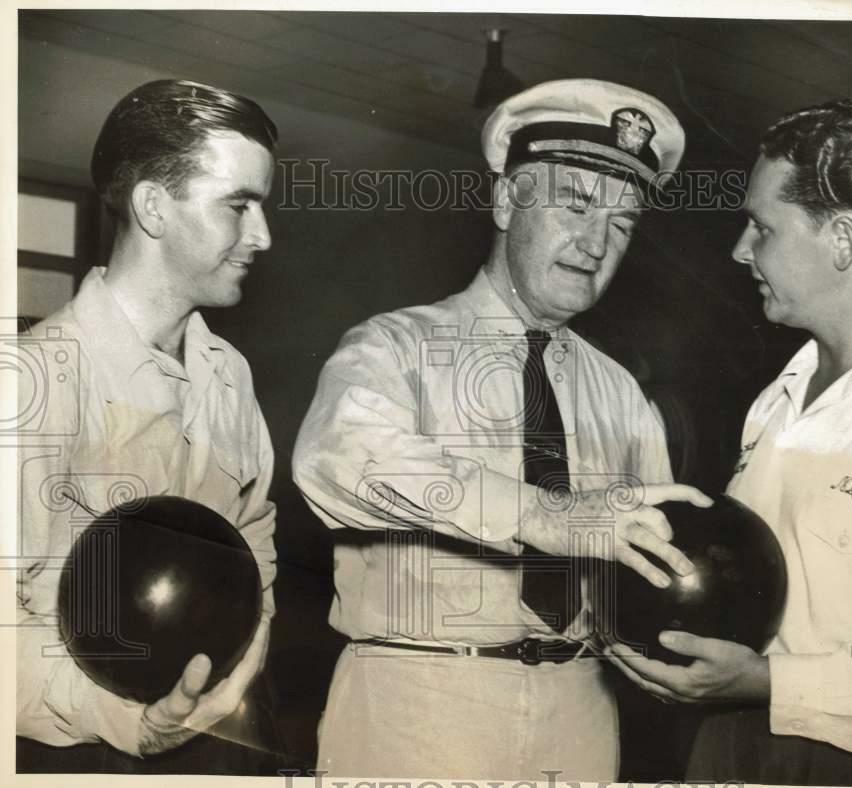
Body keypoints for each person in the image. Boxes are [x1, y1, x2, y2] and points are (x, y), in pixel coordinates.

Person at [293, 79, 711, 780]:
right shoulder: (391, 348)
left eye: (623, 223)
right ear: (506, 199)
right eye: (575, 204)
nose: (596, 242)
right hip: (418, 703)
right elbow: (337, 461)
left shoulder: (622, 395)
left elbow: (644, 574)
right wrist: (545, 515)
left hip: (582, 709)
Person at [607, 99, 852, 786]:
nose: (739, 250)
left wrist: (777, 684)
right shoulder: (778, 398)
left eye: (761, 227)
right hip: (728, 748)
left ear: (841, 240)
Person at [17, 79, 279, 773]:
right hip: (68, 755)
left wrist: (222, 692)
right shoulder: (35, 380)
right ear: (154, 207)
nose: (263, 236)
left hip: (214, 741)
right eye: (239, 205)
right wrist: (130, 721)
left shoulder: (229, 375)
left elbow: (253, 536)